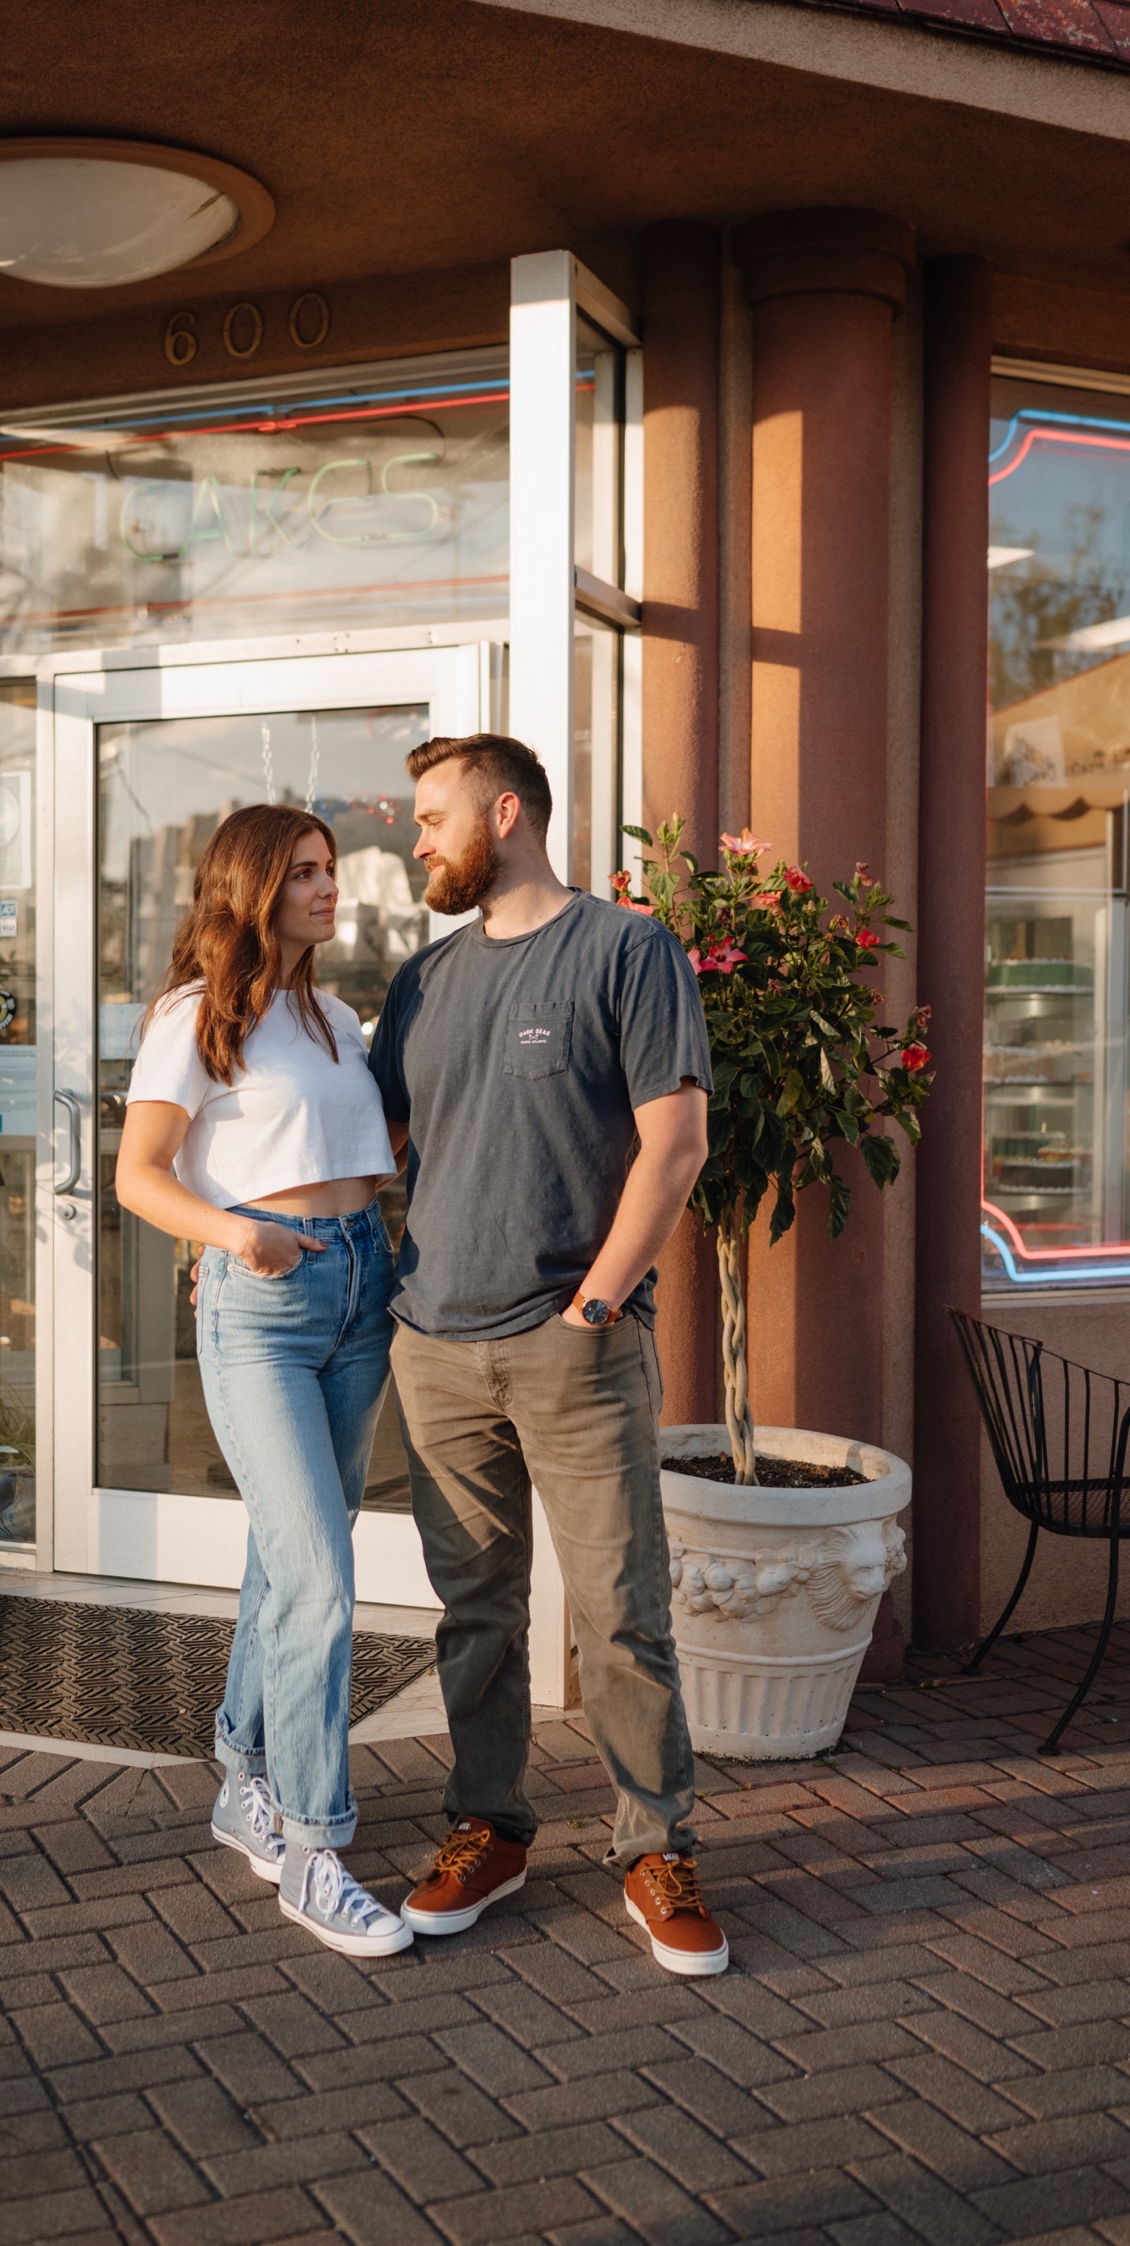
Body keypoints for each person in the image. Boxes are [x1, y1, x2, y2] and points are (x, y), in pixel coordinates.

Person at [368, 734, 729, 1976]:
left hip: (571, 1346)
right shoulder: (419, 980)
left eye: (431, 815)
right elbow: (379, 1147)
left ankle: (654, 1842)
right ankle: (489, 1823)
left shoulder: (625, 952)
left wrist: (598, 1303)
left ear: (505, 812)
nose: (415, 838)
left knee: (622, 1610)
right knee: (475, 1611)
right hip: (436, 1349)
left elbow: (672, 1142)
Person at [116, 803, 412, 1958]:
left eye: (332, 870)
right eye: (305, 873)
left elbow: (365, 1152)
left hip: (359, 1289)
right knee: (322, 1577)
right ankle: (311, 1847)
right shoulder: (198, 1016)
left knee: (285, 1559)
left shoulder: (336, 1016)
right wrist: (233, 1239)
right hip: (267, 1300)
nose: (330, 888)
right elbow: (140, 1173)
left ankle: (242, 1774)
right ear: (251, 889)